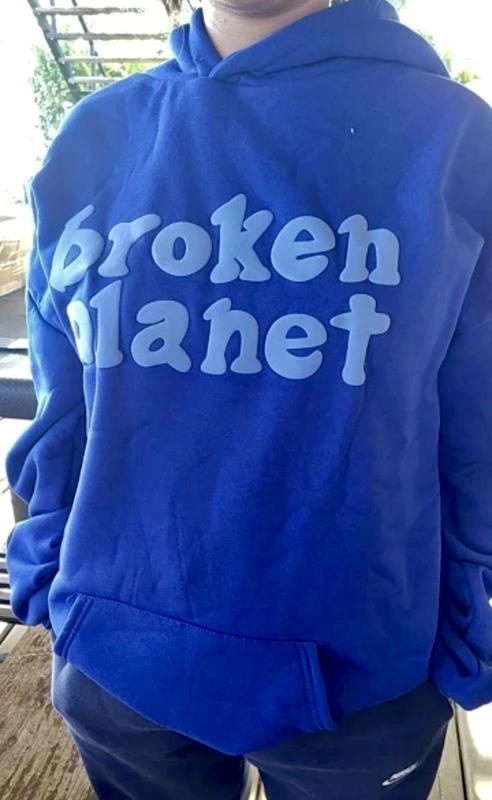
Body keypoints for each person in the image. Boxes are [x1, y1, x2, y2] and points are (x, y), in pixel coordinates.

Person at [5, 0, 492, 797]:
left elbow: (482, 432)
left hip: (360, 691)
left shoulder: (458, 143)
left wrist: (468, 628)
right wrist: (52, 584)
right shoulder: (93, 137)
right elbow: (60, 417)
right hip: (112, 666)